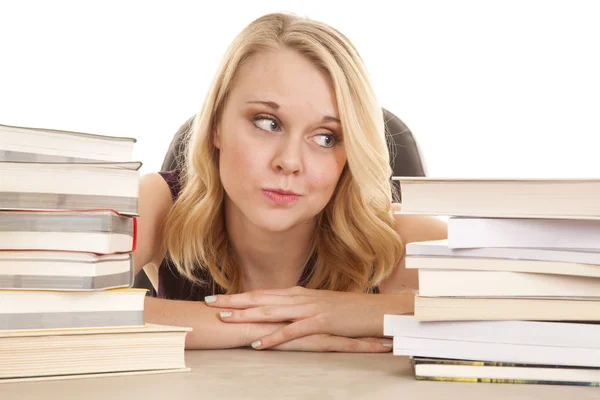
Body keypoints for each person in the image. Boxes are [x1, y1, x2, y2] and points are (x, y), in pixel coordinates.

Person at [135, 12, 447, 352]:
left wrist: (371, 310)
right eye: (267, 123)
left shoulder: (397, 238)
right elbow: (69, 308)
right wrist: (279, 323)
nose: (289, 162)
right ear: (215, 125)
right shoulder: (161, 202)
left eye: (326, 138)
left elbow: (513, 312)